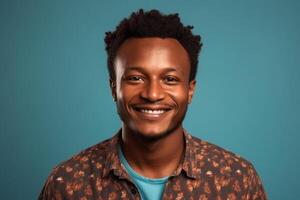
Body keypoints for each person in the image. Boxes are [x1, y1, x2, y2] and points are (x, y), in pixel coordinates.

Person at [39, 9, 267, 200]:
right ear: (113, 89)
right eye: (135, 78)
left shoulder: (237, 180)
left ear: (190, 90)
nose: (152, 93)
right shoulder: (67, 183)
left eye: (170, 79)